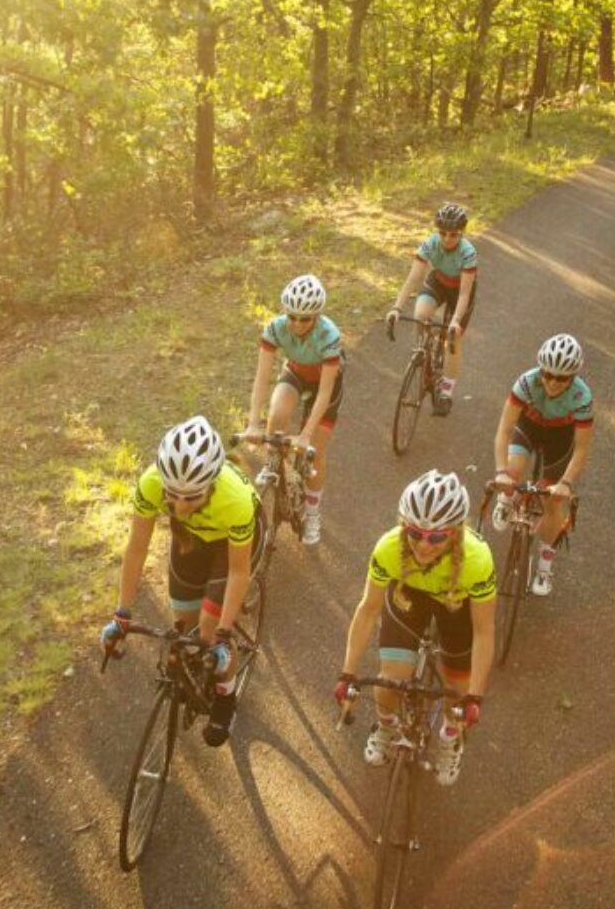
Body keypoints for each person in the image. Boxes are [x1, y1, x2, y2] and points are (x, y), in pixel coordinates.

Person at [101, 415, 261, 747]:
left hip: (231, 545)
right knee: (184, 620)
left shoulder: (235, 500)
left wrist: (223, 634)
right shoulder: (150, 483)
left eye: (192, 497)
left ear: (212, 485)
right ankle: (195, 671)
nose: (181, 505)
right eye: (173, 495)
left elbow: (237, 572)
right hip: (192, 538)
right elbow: (136, 550)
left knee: (208, 628)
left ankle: (226, 698)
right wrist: (122, 613)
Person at [333, 470, 494, 787]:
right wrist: (347, 675)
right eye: (415, 532)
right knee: (390, 680)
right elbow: (367, 610)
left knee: (457, 693)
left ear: (455, 533)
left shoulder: (477, 560)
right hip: (409, 595)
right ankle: (386, 725)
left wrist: (474, 696)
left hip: (456, 605)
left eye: (436, 537)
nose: (423, 545)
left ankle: (449, 735)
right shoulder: (389, 548)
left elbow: (484, 631)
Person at [492, 333, 595, 596]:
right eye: (547, 374)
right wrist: (501, 472)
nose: (552, 382)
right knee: (513, 470)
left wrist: (566, 484)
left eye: (562, 378)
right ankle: (506, 500)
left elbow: (581, 450)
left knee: (553, 502)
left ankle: (544, 566)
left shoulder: (582, 397)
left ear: (573, 377)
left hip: (560, 440)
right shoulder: (526, 383)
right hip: (529, 427)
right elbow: (504, 430)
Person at [244, 274, 344, 546]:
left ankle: (313, 513)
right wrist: (253, 423)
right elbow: (262, 378)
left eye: (305, 319)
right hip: (296, 373)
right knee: (276, 416)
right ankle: (275, 463)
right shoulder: (275, 328)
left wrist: (306, 435)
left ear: (317, 316)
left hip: (326, 384)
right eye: (292, 316)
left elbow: (324, 393)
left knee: (316, 453)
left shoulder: (329, 336)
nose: (297, 324)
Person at [385, 202, 478, 415]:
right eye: (443, 233)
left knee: (451, 340)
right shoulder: (430, 243)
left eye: (453, 234)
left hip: (461, 291)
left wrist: (455, 321)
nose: (447, 238)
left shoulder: (468, 253)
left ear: (461, 233)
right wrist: (397, 308)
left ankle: (446, 391)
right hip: (439, 282)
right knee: (420, 314)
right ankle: (424, 349)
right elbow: (413, 278)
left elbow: (464, 293)